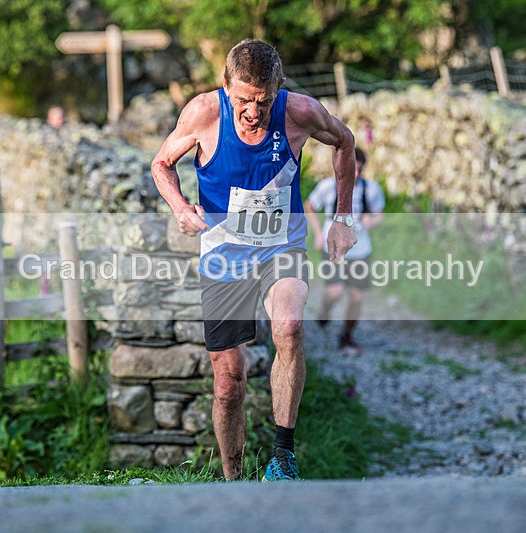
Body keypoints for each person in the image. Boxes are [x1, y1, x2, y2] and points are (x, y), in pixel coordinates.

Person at [151, 39, 357, 481]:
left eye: (262, 101)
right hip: (224, 256)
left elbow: (344, 142)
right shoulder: (203, 113)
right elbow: (162, 164)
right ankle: (234, 480)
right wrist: (181, 208)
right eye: (243, 99)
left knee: (289, 327)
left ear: (277, 89)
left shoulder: (298, 111)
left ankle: (283, 458)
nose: (251, 111)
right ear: (225, 86)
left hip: (281, 248)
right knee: (229, 382)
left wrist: (343, 217)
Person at [304, 147, 385, 354]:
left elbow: (379, 214)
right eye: (351, 169)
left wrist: (371, 220)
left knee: (357, 297)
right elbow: (310, 206)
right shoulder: (328, 187)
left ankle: (347, 336)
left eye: (358, 170)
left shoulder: (371, 189)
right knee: (335, 292)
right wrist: (318, 234)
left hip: (360, 249)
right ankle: (325, 311)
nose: (355, 175)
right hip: (334, 247)